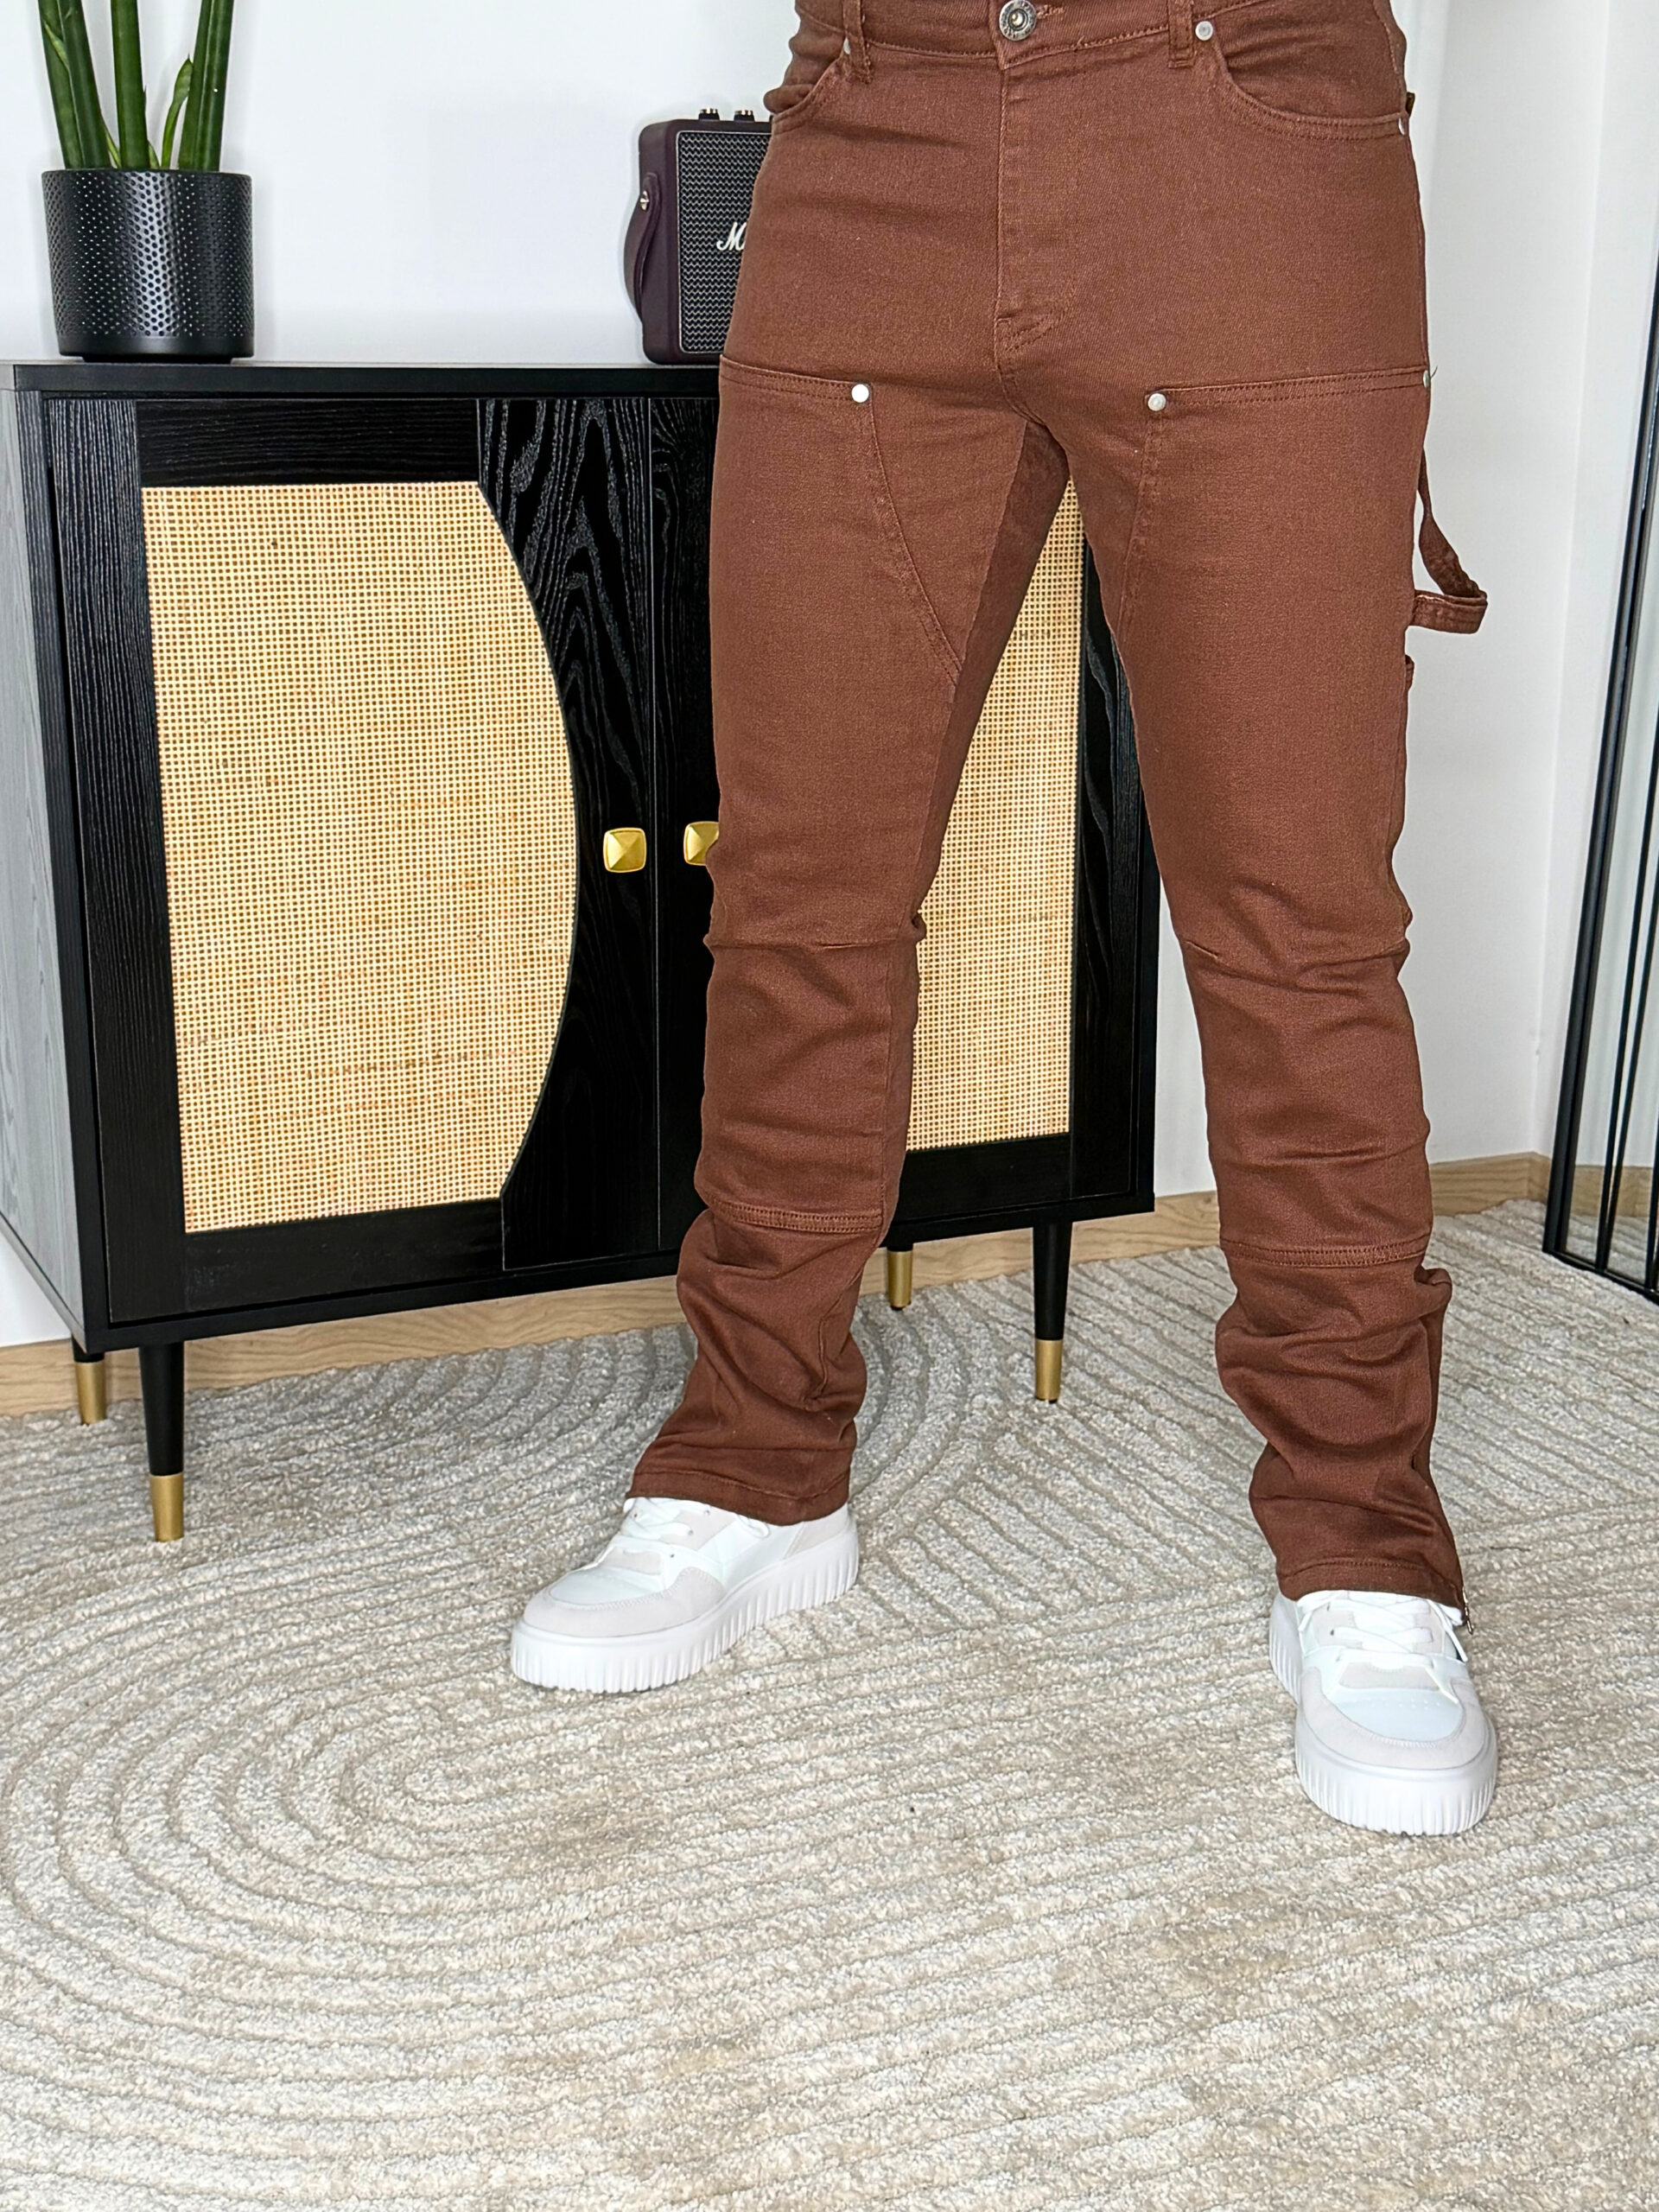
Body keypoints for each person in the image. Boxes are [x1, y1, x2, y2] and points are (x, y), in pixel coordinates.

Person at [511, 0, 1497, 1837]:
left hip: (1241, 135)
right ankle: (752, 1465)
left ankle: (1366, 1540)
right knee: (799, 893)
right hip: (875, 117)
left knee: (1295, 929)